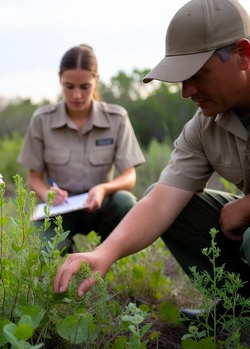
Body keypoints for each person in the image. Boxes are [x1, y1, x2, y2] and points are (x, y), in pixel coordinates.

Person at [53, 0, 250, 314]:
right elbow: (162, 202)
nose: (187, 90)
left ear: (242, 54)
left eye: (198, 74)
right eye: (181, 78)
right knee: (163, 200)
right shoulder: (204, 126)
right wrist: (103, 254)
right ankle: (240, 310)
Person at [18, 44, 145, 253]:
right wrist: (48, 194)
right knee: (46, 249)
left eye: (84, 87)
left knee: (125, 202)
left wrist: (103, 189)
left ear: (96, 81)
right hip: (59, 211)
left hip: (100, 206)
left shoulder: (116, 118)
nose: (76, 95)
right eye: (69, 86)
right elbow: (34, 178)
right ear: (60, 80)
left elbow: (129, 177)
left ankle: (105, 255)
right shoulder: (42, 120)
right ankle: (66, 259)